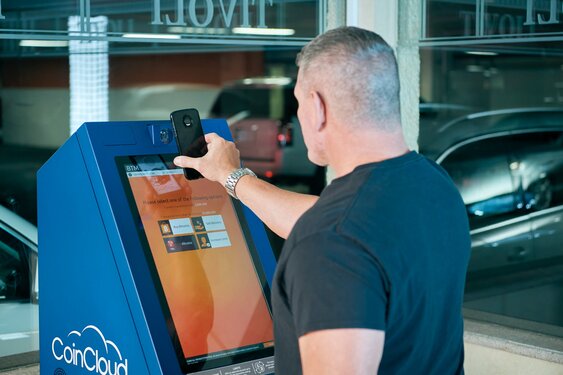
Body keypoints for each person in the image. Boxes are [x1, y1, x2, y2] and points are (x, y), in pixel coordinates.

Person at [174, 26, 471, 375]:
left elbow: (333, 233)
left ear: (317, 107)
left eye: (298, 101)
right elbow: (337, 224)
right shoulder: (432, 184)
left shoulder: (332, 243)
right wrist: (231, 177)